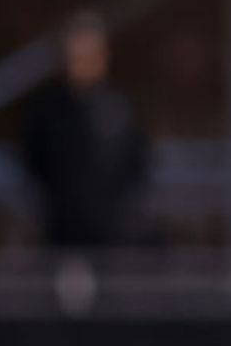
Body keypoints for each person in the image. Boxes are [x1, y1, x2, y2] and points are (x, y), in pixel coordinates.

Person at [21, 13, 147, 247]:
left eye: (89, 56)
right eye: (76, 57)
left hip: (112, 232)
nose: (82, 63)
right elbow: (33, 159)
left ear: (103, 56)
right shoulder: (47, 108)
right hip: (61, 230)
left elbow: (136, 162)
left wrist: (121, 208)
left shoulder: (119, 106)